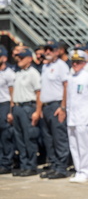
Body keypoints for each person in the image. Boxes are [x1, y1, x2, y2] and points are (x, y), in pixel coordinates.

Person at [67, 50, 88, 183]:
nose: (75, 64)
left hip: (84, 117)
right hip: (72, 117)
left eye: (78, 62)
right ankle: (79, 170)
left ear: (84, 62)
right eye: (73, 62)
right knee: (74, 146)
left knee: (84, 146)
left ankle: (86, 172)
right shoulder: (70, 77)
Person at [39, 40, 70, 179]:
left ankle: (62, 168)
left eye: (50, 49)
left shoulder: (61, 66)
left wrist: (63, 107)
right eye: (46, 49)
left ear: (57, 51)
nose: (47, 52)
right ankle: (53, 165)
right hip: (46, 106)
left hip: (56, 106)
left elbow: (66, 86)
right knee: (49, 139)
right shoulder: (45, 66)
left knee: (59, 138)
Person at [10, 48, 42, 176]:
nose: (19, 60)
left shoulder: (33, 73)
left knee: (29, 137)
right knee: (19, 139)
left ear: (29, 58)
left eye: (22, 57)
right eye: (18, 57)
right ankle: (24, 165)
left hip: (28, 107)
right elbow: (12, 92)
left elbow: (38, 93)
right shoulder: (18, 73)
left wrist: (37, 111)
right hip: (18, 107)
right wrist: (11, 109)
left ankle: (31, 165)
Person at [0, 46, 15, 174]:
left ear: (4, 58)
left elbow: (12, 94)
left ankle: (7, 162)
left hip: (4, 104)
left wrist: (10, 111)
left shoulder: (9, 73)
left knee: (6, 135)